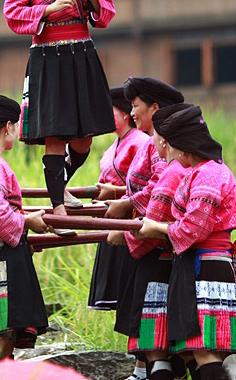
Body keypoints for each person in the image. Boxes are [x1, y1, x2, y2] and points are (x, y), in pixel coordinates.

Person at [3, 0, 116, 219]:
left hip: (82, 55)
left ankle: (60, 183)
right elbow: (12, 15)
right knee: (55, 134)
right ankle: (59, 209)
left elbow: (106, 14)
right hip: (48, 57)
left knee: (83, 139)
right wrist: (50, 8)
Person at [135, 105, 236, 380]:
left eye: (172, 148)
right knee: (199, 347)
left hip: (207, 265)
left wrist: (156, 227)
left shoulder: (209, 174)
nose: (170, 155)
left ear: (185, 149)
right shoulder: (198, 172)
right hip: (200, 264)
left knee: (205, 348)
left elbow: (193, 227)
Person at [90, 77, 184, 380]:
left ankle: (150, 370)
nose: (132, 112)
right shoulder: (151, 139)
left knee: (152, 310)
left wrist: (126, 204)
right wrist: (122, 200)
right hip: (141, 232)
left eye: (135, 106)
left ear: (154, 108)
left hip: (155, 239)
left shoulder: (160, 143)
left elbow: (161, 188)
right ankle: (144, 369)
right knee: (143, 309)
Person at [0, 94, 53, 361]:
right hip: (3, 255)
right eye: (15, 126)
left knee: (4, 338)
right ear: (7, 128)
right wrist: (27, 221)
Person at [121, 104, 191, 380]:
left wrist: (126, 235)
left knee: (157, 344)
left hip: (161, 260)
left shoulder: (173, 173)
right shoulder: (201, 169)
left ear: (165, 139)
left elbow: (154, 221)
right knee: (188, 346)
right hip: (187, 260)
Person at [85, 87, 148, 311]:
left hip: (130, 215)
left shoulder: (140, 141)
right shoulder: (113, 146)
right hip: (113, 214)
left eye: (109, 111)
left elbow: (142, 184)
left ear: (124, 113)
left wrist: (115, 193)